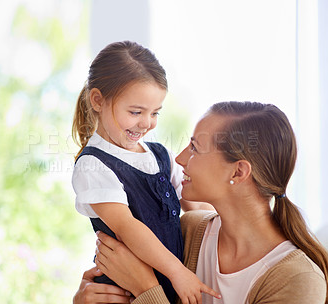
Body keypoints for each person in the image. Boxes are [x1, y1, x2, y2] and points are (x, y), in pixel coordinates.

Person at [74, 101, 328, 304]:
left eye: (195, 148)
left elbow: (147, 289)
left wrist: (146, 289)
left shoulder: (297, 279)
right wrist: (88, 296)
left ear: (238, 172)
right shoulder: (188, 232)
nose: (178, 159)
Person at [71, 40, 219, 304]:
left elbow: (195, 206)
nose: (147, 123)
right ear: (97, 100)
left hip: (166, 287)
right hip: (123, 293)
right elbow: (128, 228)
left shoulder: (160, 155)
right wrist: (178, 272)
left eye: (155, 113)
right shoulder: (93, 165)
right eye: (136, 112)